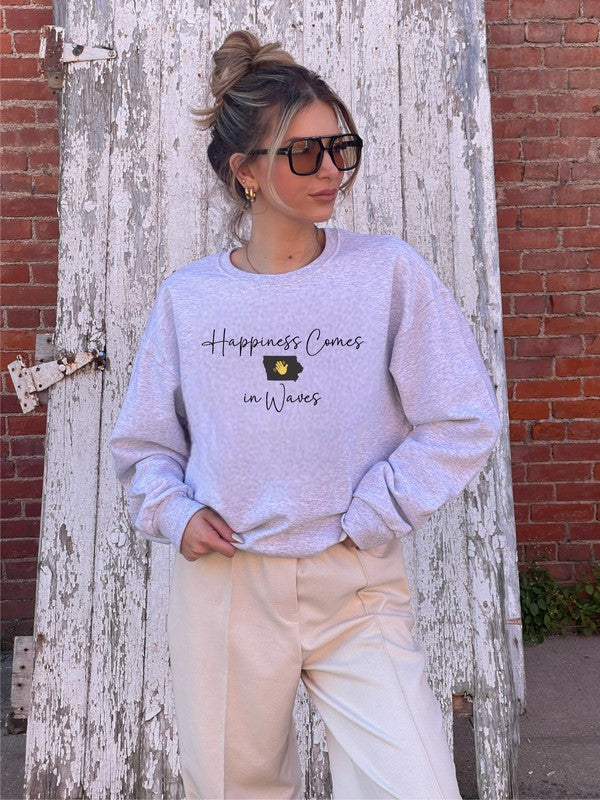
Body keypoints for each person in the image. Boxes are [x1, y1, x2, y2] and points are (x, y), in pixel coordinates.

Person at [109, 29, 501, 800]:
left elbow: (462, 416)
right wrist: (172, 511)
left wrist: (377, 511)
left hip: (355, 584)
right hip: (227, 586)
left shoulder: (387, 273)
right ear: (245, 172)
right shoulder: (190, 298)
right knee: (233, 788)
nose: (330, 171)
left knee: (415, 784)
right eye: (303, 153)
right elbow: (146, 443)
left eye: (340, 148)